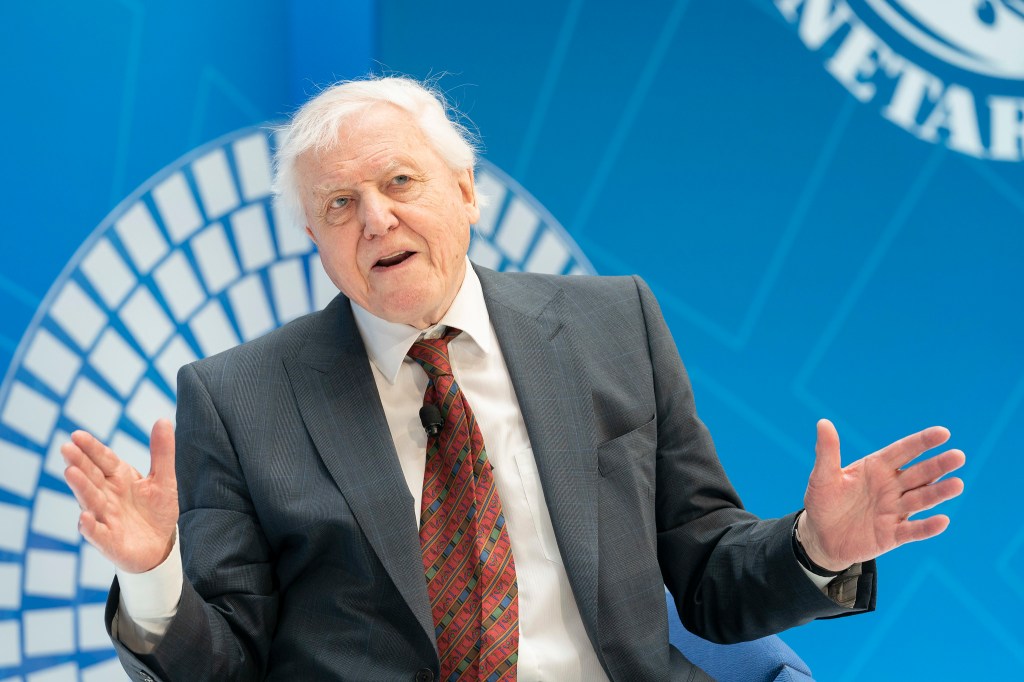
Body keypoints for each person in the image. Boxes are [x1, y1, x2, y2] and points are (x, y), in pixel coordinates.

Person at [61, 76, 966, 682]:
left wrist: (815, 545)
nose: (376, 220)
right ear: (318, 245)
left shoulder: (614, 326)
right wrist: (153, 576)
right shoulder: (239, 399)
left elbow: (704, 573)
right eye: (340, 205)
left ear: (466, 193)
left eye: (400, 182)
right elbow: (224, 662)